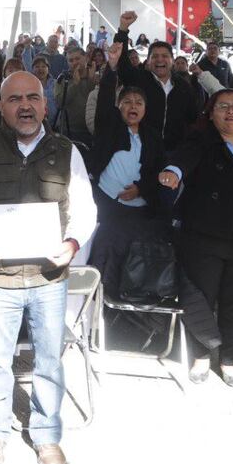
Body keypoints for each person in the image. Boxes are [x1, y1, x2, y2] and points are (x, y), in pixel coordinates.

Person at [0, 71, 97, 464]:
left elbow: (85, 209)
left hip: (49, 281)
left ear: (46, 104)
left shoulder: (68, 151)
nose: (25, 105)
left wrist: (71, 244)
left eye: (33, 97)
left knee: (49, 360)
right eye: (15, 99)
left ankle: (47, 436)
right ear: (0, 106)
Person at [159, 89, 233, 387]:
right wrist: (173, 171)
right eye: (222, 106)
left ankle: (229, 359)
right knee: (202, 297)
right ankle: (201, 356)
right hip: (206, 236)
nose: (231, 111)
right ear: (211, 114)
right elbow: (183, 158)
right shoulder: (202, 142)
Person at [88, 43, 166, 293]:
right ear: (119, 107)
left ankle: (134, 303)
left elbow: (158, 172)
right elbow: (103, 102)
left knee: (136, 261)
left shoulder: (153, 137)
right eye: (127, 102)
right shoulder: (109, 127)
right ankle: (103, 303)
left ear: (145, 109)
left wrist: (142, 189)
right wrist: (111, 68)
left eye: (138, 103)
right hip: (108, 208)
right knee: (107, 259)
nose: (133, 106)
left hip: (141, 211)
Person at [113, 11, 199, 151]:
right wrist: (123, 29)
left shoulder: (183, 86)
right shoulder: (138, 79)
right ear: (148, 61)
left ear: (172, 60)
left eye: (165, 56)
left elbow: (191, 120)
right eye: (155, 56)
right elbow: (121, 61)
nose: (160, 60)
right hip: (140, 150)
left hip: (174, 153)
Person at [52, 46, 97, 146]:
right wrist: (74, 84)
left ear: (85, 58)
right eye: (71, 60)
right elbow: (59, 103)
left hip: (91, 130)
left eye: (77, 58)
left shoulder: (95, 76)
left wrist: (92, 82)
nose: (75, 62)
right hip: (69, 130)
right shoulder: (62, 79)